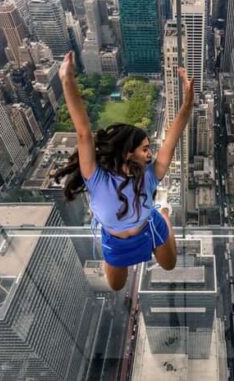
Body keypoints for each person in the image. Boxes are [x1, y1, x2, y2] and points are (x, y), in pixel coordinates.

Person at [54, 51, 194, 290]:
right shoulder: (96, 178)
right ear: (128, 152)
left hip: (149, 227)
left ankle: (165, 214)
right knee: (116, 286)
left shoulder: (150, 176)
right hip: (115, 240)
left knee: (170, 265)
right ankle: (159, 213)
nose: (150, 155)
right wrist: (67, 80)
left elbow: (172, 138)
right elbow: (84, 132)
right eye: (145, 149)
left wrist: (188, 102)